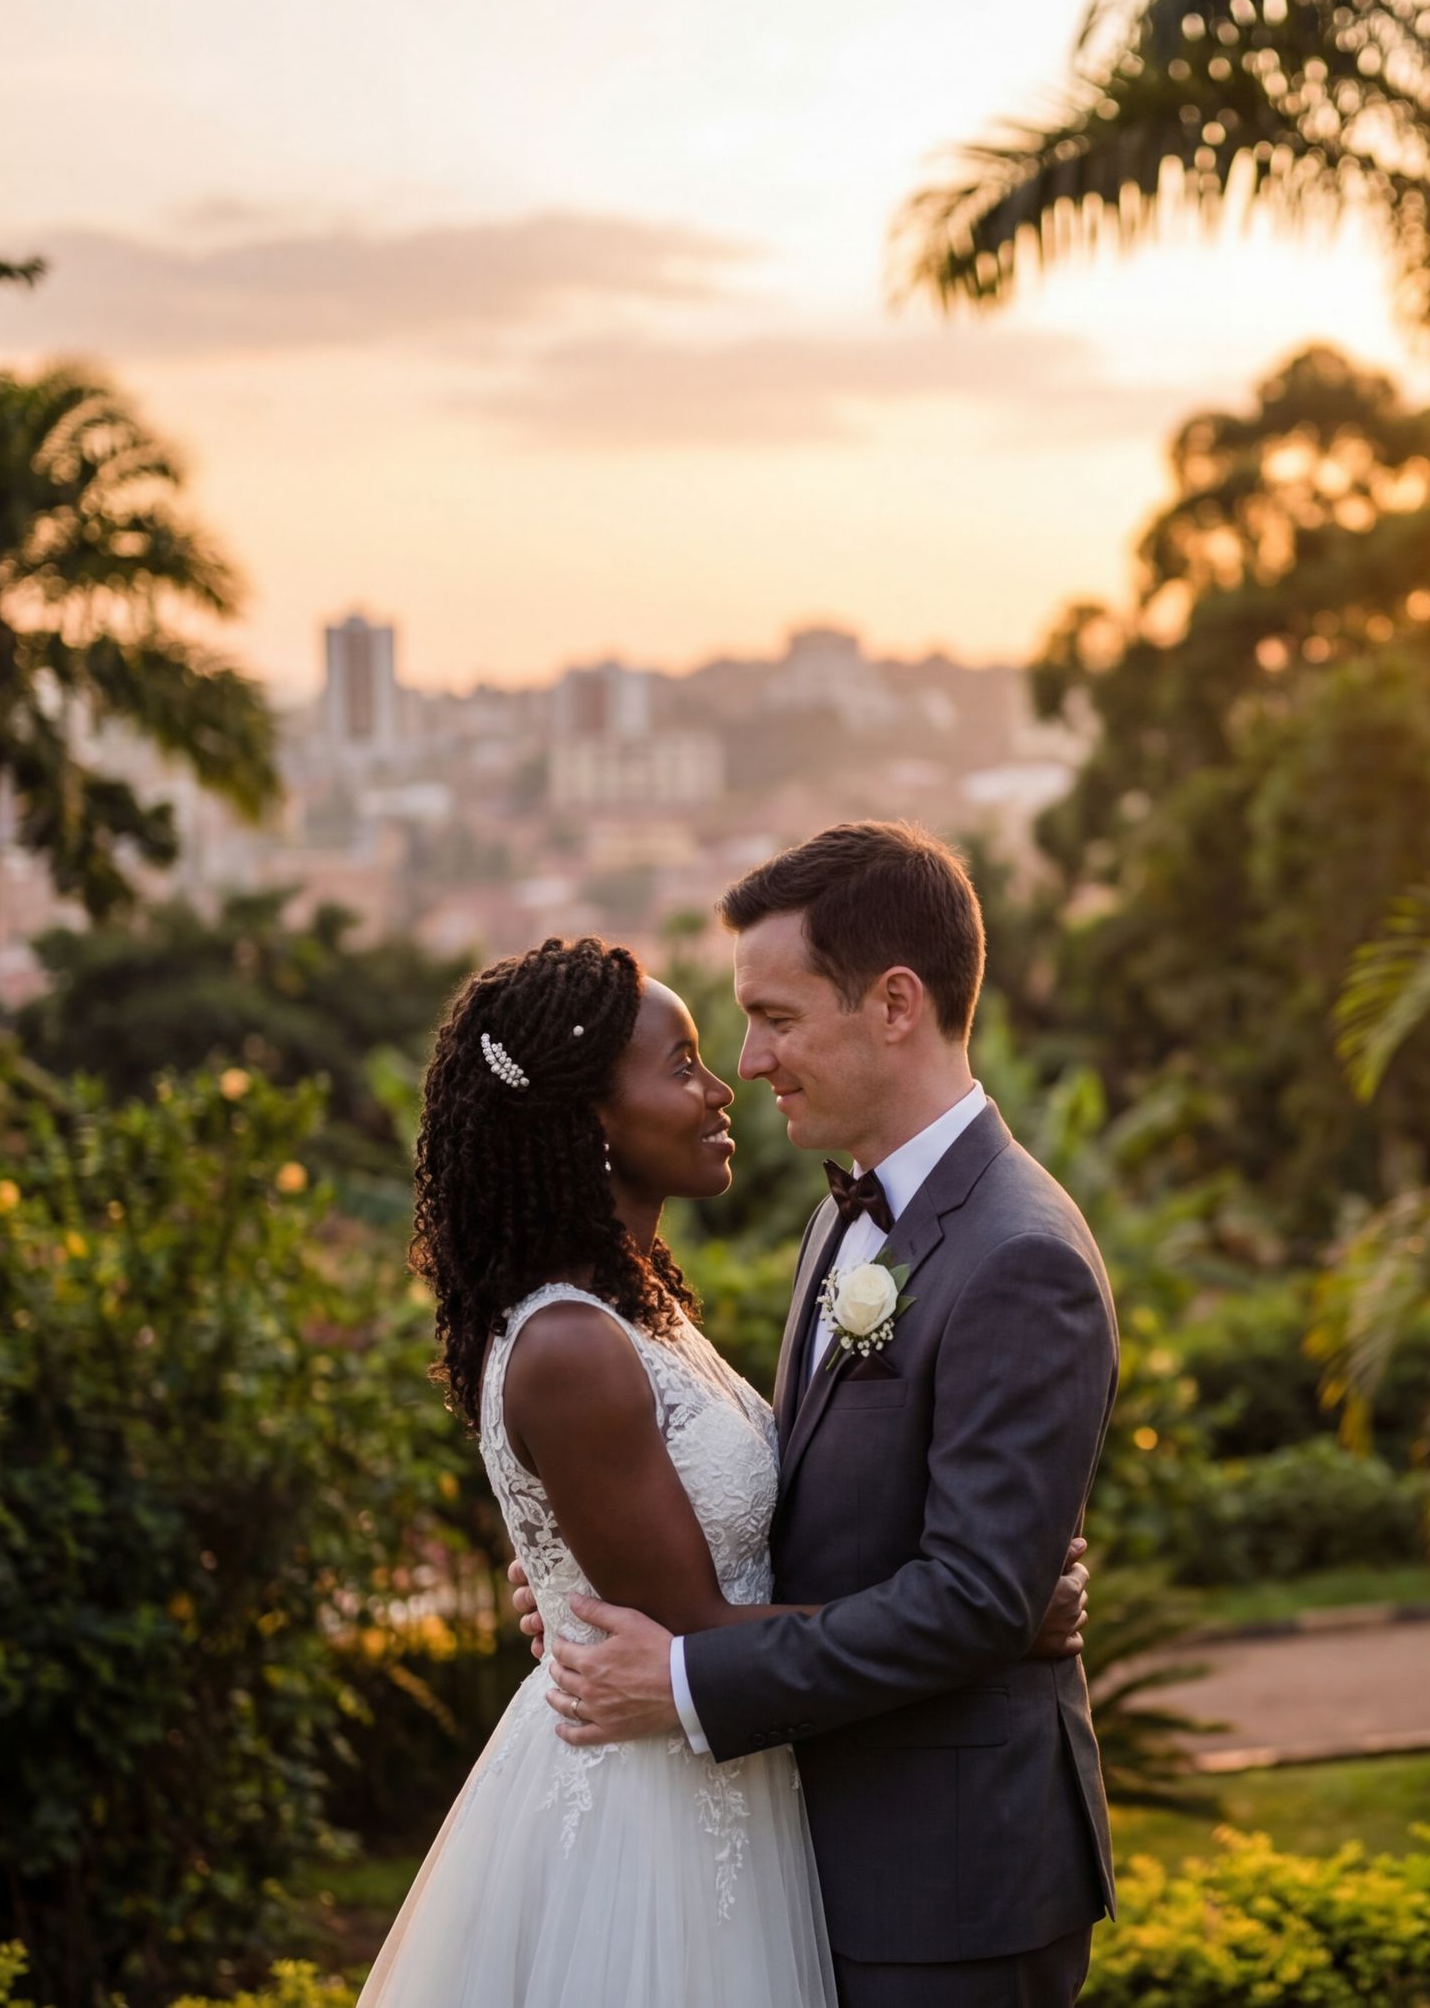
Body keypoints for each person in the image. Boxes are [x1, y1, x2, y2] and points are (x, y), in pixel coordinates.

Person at [359, 931, 1090, 2007]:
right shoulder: (572, 1345)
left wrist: (985, 1590)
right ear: (590, 1122)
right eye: (682, 1066)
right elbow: (692, 1630)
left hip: (746, 1783)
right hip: (651, 1819)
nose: (721, 1087)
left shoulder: (639, 1303)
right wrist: (994, 1620)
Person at [531, 823, 1120, 2008]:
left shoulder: (1020, 1256)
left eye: (777, 1019)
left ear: (896, 1004)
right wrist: (593, 1570)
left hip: (948, 1878)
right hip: (821, 1847)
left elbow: (973, 1601)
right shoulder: (844, 1215)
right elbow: (821, 1508)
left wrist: (685, 1677)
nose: (749, 1062)